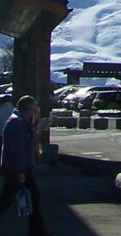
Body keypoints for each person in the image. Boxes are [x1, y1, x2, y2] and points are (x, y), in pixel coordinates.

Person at [0, 94, 50, 236]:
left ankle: (37, 231)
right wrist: (20, 171)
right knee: (6, 200)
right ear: (28, 109)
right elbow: (17, 150)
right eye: (35, 108)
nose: (37, 111)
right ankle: (37, 232)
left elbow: (27, 146)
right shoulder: (17, 124)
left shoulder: (24, 122)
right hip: (17, 170)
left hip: (22, 168)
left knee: (32, 199)